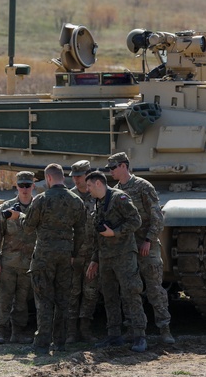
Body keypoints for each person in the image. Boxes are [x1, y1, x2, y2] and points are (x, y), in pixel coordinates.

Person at [18, 163, 87, 355]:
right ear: (62, 177)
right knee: (63, 301)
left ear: (48, 178)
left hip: (44, 256)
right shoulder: (76, 201)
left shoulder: (41, 200)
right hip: (65, 256)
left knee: (44, 300)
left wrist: (19, 216)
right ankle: (60, 343)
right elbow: (82, 232)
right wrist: (73, 253)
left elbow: (28, 227)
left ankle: (42, 344)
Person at [106, 151, 174, 345]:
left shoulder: (143, 186)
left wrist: (149, 240)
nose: (110, 171)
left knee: (154, 288)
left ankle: (164, 329)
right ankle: (133, 328)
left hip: (146, 245)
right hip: (127, 247)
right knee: (128, 289)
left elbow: (157, 217)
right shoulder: (115, 192)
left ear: (123, 166)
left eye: (113, 167)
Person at [84, 170, 148, 353]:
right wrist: (95, 259)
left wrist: (115, 232)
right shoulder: (99, 202)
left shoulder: (119, 198)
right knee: (109, 296)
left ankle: (139, 336)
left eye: (89, 185)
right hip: (106, 257)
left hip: (124, 255)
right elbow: (99, 235)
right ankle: (114, 335)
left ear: (98, 184)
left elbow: (136, 221)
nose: (87, 189)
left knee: (131, 293)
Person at [0, 171, 38, 344]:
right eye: (21, 185)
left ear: (33, 186)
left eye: (27, 185)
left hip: (28, 263)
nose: (24, 189)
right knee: (3, 298)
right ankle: (0, 332)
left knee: (22, 301)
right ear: (16, 186)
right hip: (8, 262)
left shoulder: (37, 207)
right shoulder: (6, 208)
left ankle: (18, 332)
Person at [66, 159, 100, 344]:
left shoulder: (98, 195)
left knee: (91, 292)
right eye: (74, 177)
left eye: (79, 176)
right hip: (73, 254)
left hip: (93, 254)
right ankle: (71, 332)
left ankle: (85, 329)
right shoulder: (69, 197)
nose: (76, 180)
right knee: (72, 292)